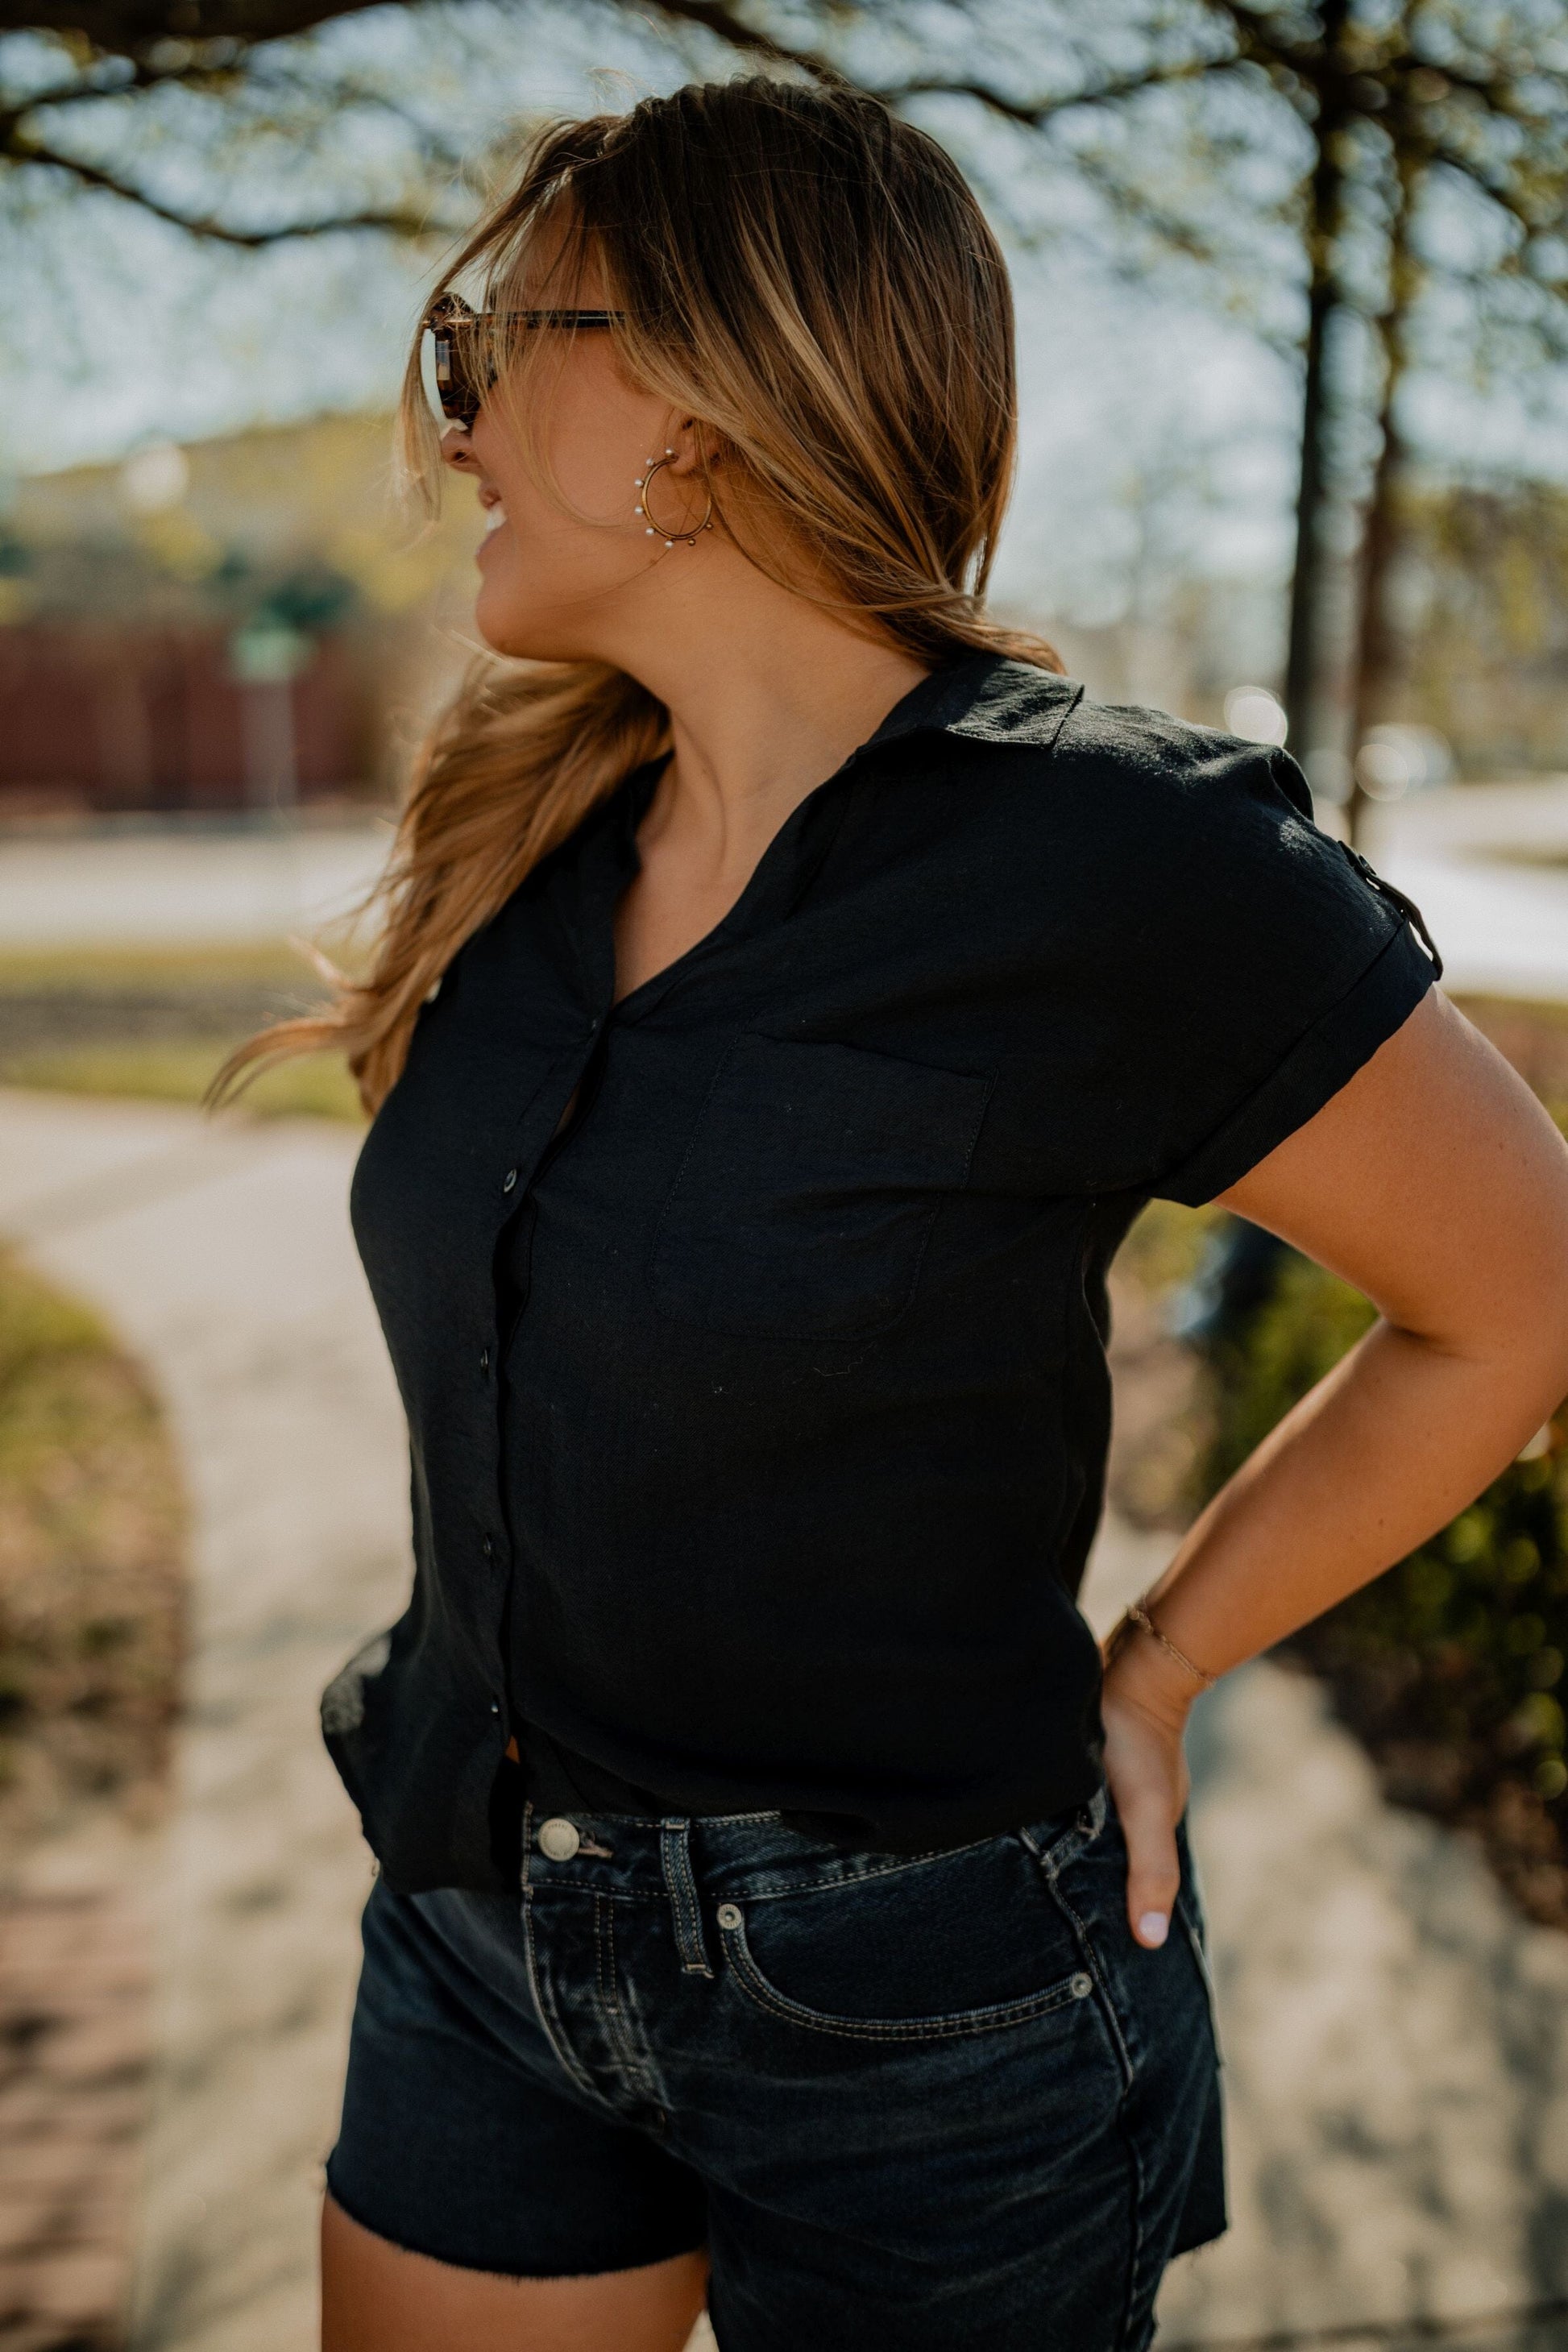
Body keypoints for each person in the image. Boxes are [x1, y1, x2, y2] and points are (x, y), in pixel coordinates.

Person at [222, 76, 1568, 2352]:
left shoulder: (1118, 865)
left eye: (483, 349)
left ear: (687, 412)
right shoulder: (531, 827)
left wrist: (1162, 1662)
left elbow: (1516, 1298)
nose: (442, 428)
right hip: (473, 1915)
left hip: (922, 2014)